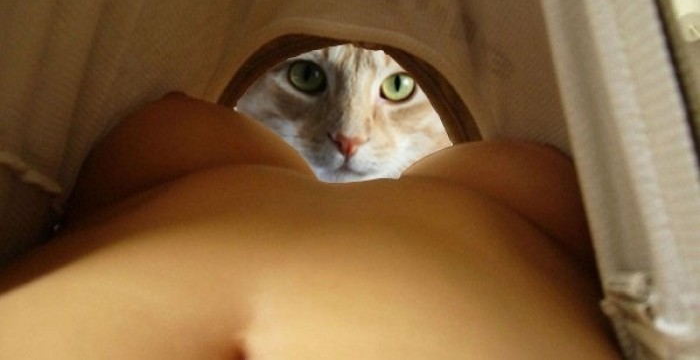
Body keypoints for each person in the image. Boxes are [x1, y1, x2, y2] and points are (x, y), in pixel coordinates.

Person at [0, 91, 621, 358]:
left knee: (173, 128)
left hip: (170, 192)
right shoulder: (510, 190)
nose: (350, 133)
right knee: (526, 173)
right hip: (495, 224)